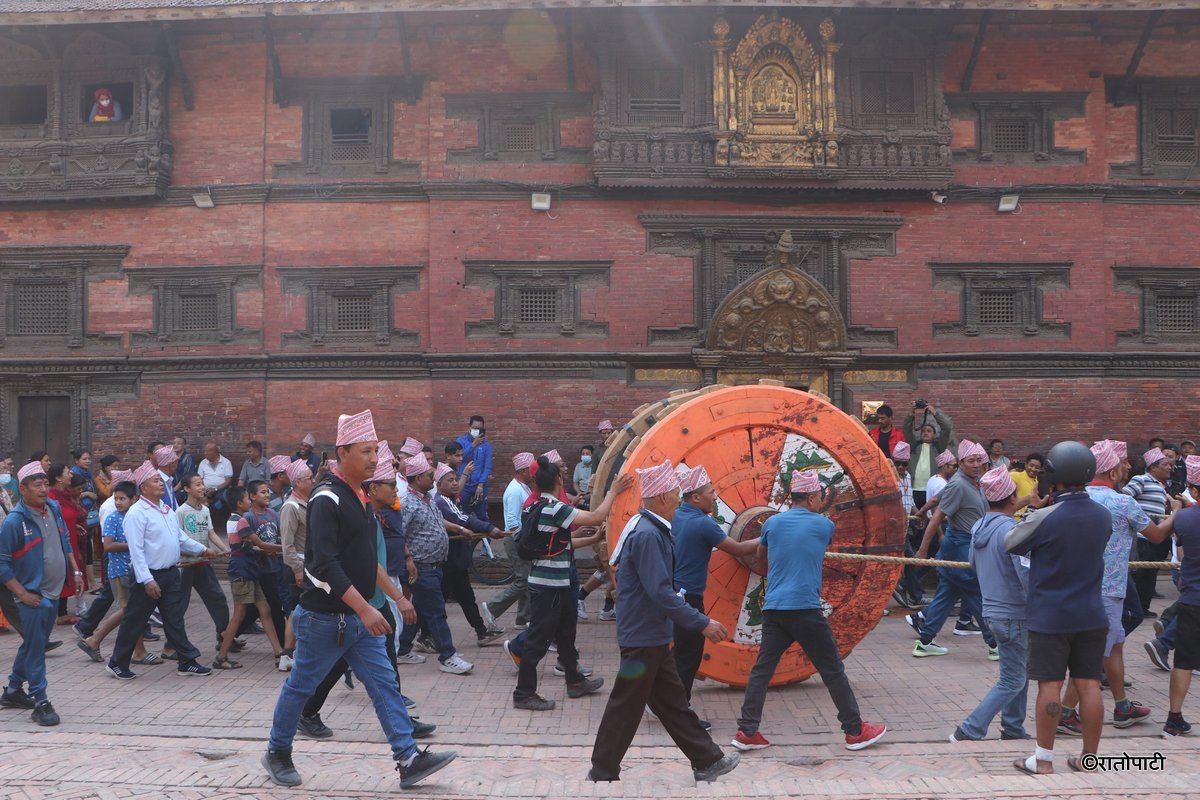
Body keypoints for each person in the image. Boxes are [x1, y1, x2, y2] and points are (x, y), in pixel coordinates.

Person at [262, 409, 456, 790]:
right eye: (365, 451)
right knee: (301, 686)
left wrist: (397, 598)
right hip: (323, 618)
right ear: (342, 452)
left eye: (374, 451)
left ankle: (408, 758)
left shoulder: (361, 497)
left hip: (359, 620)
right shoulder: (327, 499)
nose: (373, 459)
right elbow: (324, 566)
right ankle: (277, 751)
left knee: (384, 684)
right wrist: (366, 607)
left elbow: (368, 559)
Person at [589, 460, 740, 782]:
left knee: (673, 704)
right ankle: (602, 769)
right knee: (625, 705)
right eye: (674, 493)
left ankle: (707, 760)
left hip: (652, 635)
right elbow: (661, 592)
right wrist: (702, 622)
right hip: (642, 637)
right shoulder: (648, 535)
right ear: (659, 499)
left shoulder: (653, 530)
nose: (678, 497)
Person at [732, 469, 887, 753]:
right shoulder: (824, 525)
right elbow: (814, 549)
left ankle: (746, 731)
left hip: (775, 608)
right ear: (814, 497)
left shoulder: (772, 523)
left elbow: (760, 559)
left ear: (793, 496)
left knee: (761, 672)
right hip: (805, 608)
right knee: (832, 670)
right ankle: (854, 731)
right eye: (819, 497)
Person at [1056, 441, 1178, 733]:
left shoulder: (1074, 498)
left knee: (1115, 646)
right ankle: (1064, 712)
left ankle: (1122, 705)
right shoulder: (1122, 502)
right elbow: (1158, 535)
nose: (1127, 469)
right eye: (1123, 464)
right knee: (1095, 653)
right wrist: (1176, 512)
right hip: (1108, 590)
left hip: (1080, 586)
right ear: (1111, 472)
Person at [1004, 441, 1110, 775]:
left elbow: (1011, 543)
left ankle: (1044, 760)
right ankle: (1089, 758)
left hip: (1051, 615)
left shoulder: (1048, 516)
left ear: (1055, 478)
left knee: (1050, 685)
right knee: (1089, 684)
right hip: (1092, 612)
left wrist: (1035, 509)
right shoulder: (1102, 515)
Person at [513, 455, 628, 711]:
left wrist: (591, 540)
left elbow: (559, 545)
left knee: (566, 635)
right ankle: (523, 693)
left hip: (557, 582)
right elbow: (597, 515)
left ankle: (575, 682)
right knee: (537, 639)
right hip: (548, 585)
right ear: (559, 480)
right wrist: (614, 491)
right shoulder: (555, 508)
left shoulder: (537, 506)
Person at [105, 461, 218, 680]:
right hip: (148, 575)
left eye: (160, 481)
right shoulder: (137, 513)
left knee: (174, 618)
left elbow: (179, 538)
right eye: (155, 481)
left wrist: (203, 549)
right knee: (134, 620)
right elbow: (136, 552)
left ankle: (187, 660)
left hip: (170, 573)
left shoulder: (166, 509)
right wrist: (147, 580)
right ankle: (117, 662)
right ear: (143, 488)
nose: (161, 484)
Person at [950, 467, 1029, 742]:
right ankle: (970, 729)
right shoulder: (1011, 530)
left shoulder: (978, 526)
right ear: (1012, 499)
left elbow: (973, 562)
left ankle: (1013, 728)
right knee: (1013, 679)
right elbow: (1025, 575)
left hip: (992, 611)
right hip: (1014, 612)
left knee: (1017, 672)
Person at [0, 461, 80, 726]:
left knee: (33, 644)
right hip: (33, 597)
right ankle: (41, 701)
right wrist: (21, 593)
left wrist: (75, 570)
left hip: (54, 591)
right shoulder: (14, 522)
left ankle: (12, 690)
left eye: (46, 483)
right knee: (36, 649)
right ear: (22, 489)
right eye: (37, 485)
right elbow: (2, 562)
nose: (44, 488)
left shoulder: (53, 509)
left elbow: (64, 540)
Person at [672, 465, 757, 711]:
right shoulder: (703, 524)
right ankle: (678, 709)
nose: (715, 496)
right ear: (696, 497)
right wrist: (768, 535)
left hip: (673, 593)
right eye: (710, 492)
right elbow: (739, 549)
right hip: (690, 597)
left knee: (678, 652)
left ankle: (662, 702)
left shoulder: (676, 516)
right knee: (689, 655)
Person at [908, 440, 997, 658]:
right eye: (971, 461)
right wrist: (922, 549)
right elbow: (938, 515)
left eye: (979, 460)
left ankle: (926, 641)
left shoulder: (974, 482)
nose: (976, 464)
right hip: (959, 545)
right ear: (960, 463)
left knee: (948, 593)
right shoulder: (959, 484)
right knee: (975, 591)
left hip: (967, 544)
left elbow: (937, 500)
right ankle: (995, 643)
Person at [395, 452, 474, 674]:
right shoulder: (408, 503)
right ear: (417, 478)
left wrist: (459, 528)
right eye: (430, 475)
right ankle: (447, 656)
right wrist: (408, 558)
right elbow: (398, 534)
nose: (433, 478)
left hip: (435, 565)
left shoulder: (427, 498)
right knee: (437, 611)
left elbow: (439, 521)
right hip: (421, 567)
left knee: (420, 609)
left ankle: (402, 649)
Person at [76, 481, 156, 666]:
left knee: (132, 610)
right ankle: (96, 640)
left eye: (123, 499)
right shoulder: (113, 518)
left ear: (134, 499)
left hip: (135, 569)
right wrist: (135, 545)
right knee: (128, 610)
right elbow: (108, 545)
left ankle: (135, 650)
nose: (119, 502)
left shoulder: (137, 516)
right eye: (116, 498)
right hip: (120, 571)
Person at [433, 463, 507, 646]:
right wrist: (488, 527)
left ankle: (482, 632)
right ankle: (418, 638)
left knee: (466, 599)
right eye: (450, 481)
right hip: (448, 561)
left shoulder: (452, 499)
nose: (455, 483)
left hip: (456, 561)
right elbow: (462, 519)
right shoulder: (442, 501)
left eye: (456, 479)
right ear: (439, 484)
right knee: (436, 604)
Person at [214, 486, 283, 669]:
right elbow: (259, 543)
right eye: (247, 499)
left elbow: (252, 546)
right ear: (239, 503)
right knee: (239, 615)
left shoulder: (233, 519)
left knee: (265, 610)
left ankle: (279, 652)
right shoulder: (242, 521)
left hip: (248, 570)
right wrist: (286, 548)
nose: (250, 502)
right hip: (242, 571)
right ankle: (221, 656)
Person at [1161, 454, 1200, 737]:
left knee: (1183, 660)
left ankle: (1174, 717)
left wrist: (1179, 509)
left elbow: (1182, 549)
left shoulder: (1184, 518)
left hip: (1192, 599)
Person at [174, 472, 232, 660]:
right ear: (187, 489)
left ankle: (224, 636)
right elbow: (179, 540)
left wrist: (224, 548)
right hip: (186, 565)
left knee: (218, 599)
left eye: (202, 484)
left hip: (204, 564)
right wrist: (196, 552)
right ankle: (171, 644)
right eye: (197, 484)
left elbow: (211, 533)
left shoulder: (205, 510)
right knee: (179, 606)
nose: (201, 487)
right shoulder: (181, 512)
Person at [482, 452, 535, 631]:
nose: (534, 473)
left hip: (522, 538)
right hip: (516, 540)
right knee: (524, 580)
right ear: (524, 470)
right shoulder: (514, 491)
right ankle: (492, 607)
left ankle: (522, 619)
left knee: (526, 578)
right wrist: (523, 541)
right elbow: (512, 522)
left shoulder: (524, 487)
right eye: (532, 470)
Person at [1125, 446, 1174, 618]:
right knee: (1139, 573)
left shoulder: (1162, 488)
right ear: (1153, 467)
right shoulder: (1142, 479)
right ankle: (1132, 608)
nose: (1170, 467)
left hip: (1155, 537)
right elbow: (1125, 497)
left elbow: (1158, 514)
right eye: (1165, 464)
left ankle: (1143, 608)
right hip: (1140, 537)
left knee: (1150, 574)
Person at [278, 459, 313, 671]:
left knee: (303, 609)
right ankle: (287, 655)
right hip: (297, 565)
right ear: (298, 482)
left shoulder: (306, 504)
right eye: (309, 478)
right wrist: (297, 569)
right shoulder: (290, 507)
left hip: (307, 564)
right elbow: (287, 544)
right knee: (296, 610)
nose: (313, 481)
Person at [455, 416, 492, 523]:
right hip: (464, 485)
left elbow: (487, 466)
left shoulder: (486, 446)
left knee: (482, 515)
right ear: (469, 428)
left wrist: (481, 484)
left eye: (479, 429)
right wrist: (473, 445)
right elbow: (460, 459)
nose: (476, 431)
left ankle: (486, 539)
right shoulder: (460, 442)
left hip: (479, 486)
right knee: (463, 514)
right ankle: (466, 539)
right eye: (474, 428)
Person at [198, 441, 234, 510]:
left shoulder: (226, 462)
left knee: (221, 498)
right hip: (205, 490)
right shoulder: (203, 463)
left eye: (207, 452)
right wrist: (204, 490)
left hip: (220, 490)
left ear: (214, 452)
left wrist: (215, 489)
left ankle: (212, 511)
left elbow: (228, 481)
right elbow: (200, 479)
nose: (205, 453)